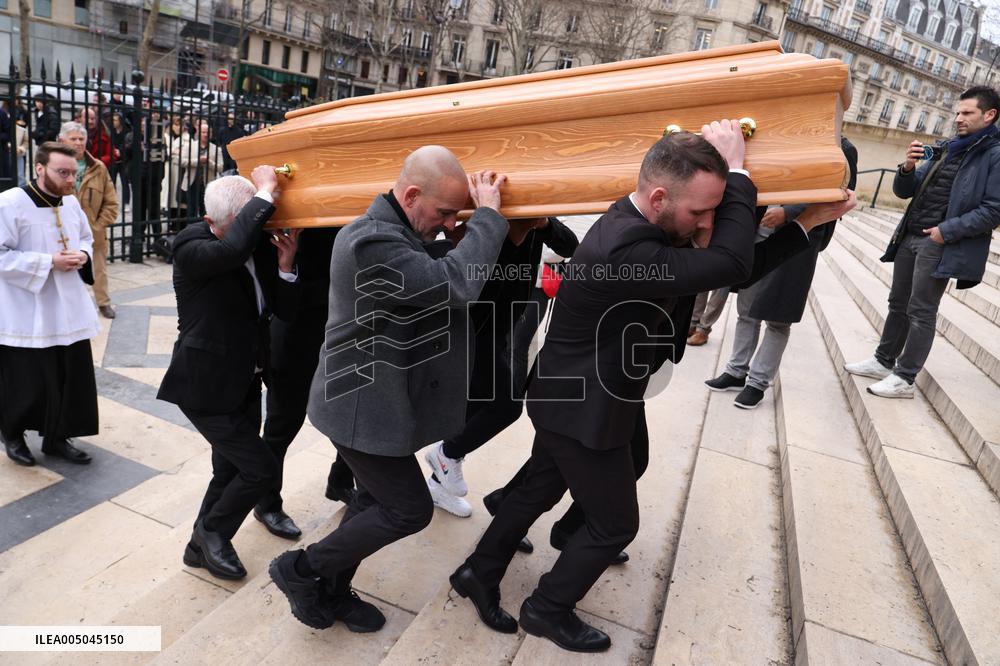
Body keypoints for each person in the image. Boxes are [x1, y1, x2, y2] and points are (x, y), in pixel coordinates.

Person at [452, 122, 857, 652]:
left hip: (572, 393)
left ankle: (478, 573)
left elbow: (729, 270)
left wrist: (807, 223)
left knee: (537, 488)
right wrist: (737, 174)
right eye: (700, 211)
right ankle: (546, 608)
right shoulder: (627, 249)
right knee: (614, 525)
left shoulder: (643, 227)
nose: (708, 222)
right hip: (584, 407)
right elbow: (730, 262)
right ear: (661, 195)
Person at [267, 145, 510, 633]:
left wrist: (470, 231)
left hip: (377, 402)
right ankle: (300, 569)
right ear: (412, 193)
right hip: (358, 407)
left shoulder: (399, 232)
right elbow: (456, 284)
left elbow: (445, 267)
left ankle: (332, 591)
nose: (446, 224)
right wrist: (488, 220)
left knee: (373, 501)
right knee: (408, 509)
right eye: (443, 212)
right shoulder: (370, 240)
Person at [156, 167, 301, 580]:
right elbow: (229, 253)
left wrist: (287, 266)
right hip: (203, 385)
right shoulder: (192, 244)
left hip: (245, 381)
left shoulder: (253, 247)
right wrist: (266, 191)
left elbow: (284, 311)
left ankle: (196, 548)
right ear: (215, 221)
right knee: (261, 470)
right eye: (249, 221)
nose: (257, 228)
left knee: (229, 470)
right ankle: (213, 533)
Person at [845, 86, 1000, 398]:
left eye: (967, 113)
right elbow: (908, 190)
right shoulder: (948, 147)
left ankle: (905, 377)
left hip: (940, 241)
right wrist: (907, 169)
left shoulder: (994, 155)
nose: (959, 118)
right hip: (911, 235)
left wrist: (947, 230)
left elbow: (993, 210)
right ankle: (883, 361)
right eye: (957, 112)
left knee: (921, 310)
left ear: (990, 115)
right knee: (898, 303)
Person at [424, 216, 578, 518]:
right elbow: (479, 259)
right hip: (472, 326)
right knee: (504, 406)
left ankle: (438, 481)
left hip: (499, 327)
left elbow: (569, 244)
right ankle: (444, 455)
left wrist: (544, 224)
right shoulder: (488, 214)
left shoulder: (533, 215)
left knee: (471, 408)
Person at [706, 136, 858, 409]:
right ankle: (736, 370)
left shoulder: (842, 148)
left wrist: (788, 213)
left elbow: (839, 193)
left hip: (800, 236)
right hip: (759, 226)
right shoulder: (785, 133)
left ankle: (758, 382)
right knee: (746, 309)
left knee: (778, 317)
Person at [0, 142, 101, 466]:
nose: (71, 179)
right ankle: (13, 435)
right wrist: (47, 262)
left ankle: (57, 438)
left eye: (73, 172)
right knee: (26, 380)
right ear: (39, 168)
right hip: (27, 309)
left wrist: (83, 255)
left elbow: (86, 238)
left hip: (68, 308)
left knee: (68, 376)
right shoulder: (10, 203)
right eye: (63, 172)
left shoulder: (71, 204)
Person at [255, 225, 345, 540]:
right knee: (282, 425)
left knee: (350, 416)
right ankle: (266, 502)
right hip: (296, 330)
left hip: (340, 328)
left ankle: (341, 480)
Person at [58, 121, 119, 320]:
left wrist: (97, 225)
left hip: (95, 232)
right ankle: (69, 307)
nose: (78, 143)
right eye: (73, 139)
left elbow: (111, 202)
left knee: (99, 270)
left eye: (81, 139)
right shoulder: (54, 167)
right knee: (66, 273)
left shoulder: (98, 167)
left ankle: (103, 303)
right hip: (62, 233)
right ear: (62, 141)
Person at [179, 121, 222, 220]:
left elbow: (221, 167)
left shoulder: (216, 149)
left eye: (208, 132)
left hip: (208, 184)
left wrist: (209, 162)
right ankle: (191, 232)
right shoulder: (190, 146)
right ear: (198, 132)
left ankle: (205, 233)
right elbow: (181, 161)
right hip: (191, 183)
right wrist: (197, 161)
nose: (206, 135)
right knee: (191, 211)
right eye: (203, 132)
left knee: (206, 211)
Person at [109, 113, 131, 211]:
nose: (113, 122)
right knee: (111, 182)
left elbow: (128, 144)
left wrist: (120, 151)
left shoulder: (127, 131)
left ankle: (126, 203)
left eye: (115, 120)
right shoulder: (111, 131)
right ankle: (113, 202)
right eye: (113, 120)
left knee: (124, 182)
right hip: (113, 159)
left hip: (123, 160)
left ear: (121, 121)